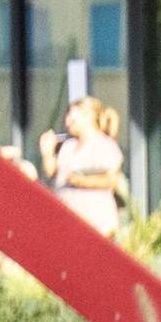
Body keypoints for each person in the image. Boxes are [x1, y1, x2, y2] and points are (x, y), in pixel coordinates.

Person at [43, 92, 132, 236]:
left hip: (95, 220)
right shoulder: (68, 146)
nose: (67, 122)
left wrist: (82, 181)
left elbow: (111, 180)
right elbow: (53, 173)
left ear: (87, 117)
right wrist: (47, 152)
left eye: (72, 117)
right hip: (68, 220)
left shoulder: (104, 144)